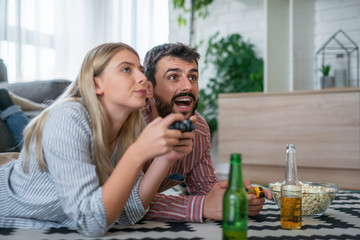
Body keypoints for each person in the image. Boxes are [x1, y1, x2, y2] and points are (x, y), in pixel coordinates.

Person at [0, 42, 195, 237]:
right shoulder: (68, 117)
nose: (143, 78)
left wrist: (165, 158)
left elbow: (125, 213)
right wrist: (138, 154)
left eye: (141, 70)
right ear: (96, 84)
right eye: (126, 69)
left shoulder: (129, 128)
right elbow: (91, 223)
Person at [141, 42, 272, 222]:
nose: (187, 86)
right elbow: (127, 203)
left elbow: (204, 187)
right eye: (173, 77)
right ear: (149, 88)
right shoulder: (129, 126)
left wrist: (234, 197)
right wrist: (202, 207)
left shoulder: (199, 129)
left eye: (193, 77)